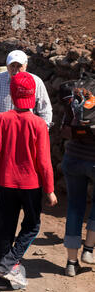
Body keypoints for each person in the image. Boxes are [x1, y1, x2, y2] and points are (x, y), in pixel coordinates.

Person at [0, 72, 57, 291]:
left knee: (5, 229)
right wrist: (50, 189)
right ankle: (8, 263)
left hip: (5, 184)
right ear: (33, 96)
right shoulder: (39, 124)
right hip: (31, 185)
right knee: (32, 226)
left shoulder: (1, 120)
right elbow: (44, 161)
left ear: (13, 96)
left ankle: (0, 277)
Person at [0, 50, 53, 225]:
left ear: (26, 65)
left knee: (27, 172)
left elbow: (45, 110)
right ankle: (0, 213)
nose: (16, 69)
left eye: (19, 66)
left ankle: (26, 214)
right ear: (7, 65)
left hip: (26, 136)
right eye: (12, 65)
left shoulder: (36, 82)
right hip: (1, 134)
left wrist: (40, 130)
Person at [59, 84, 95, 276]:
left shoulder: (79, 90)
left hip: (72, 157)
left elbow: (65, 128)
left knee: (74, 207)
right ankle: (88, 250)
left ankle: (71, 264)